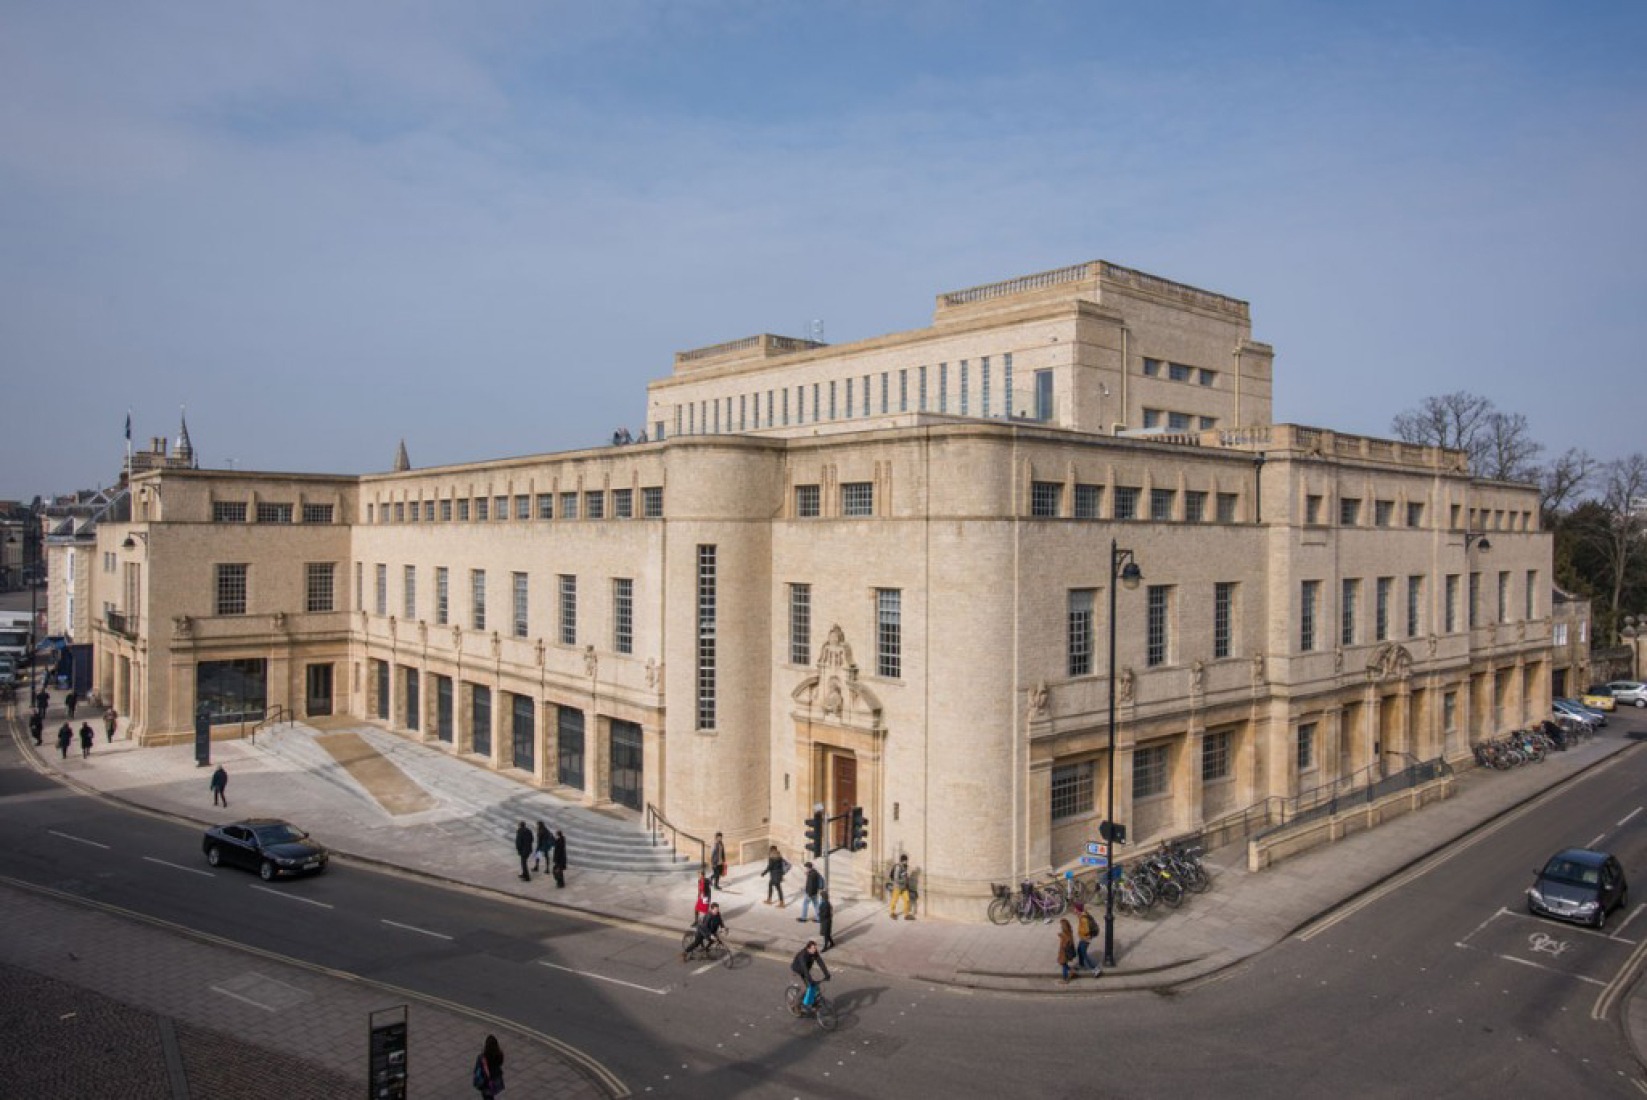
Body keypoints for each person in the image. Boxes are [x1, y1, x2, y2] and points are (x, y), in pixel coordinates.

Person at [791, 940, 831, 1010]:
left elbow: (821, 963)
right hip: (798, 971)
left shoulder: (814, 953)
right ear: (808, 948)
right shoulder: (802, 956)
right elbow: (805, 969)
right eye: (814, 948)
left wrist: (826, 974)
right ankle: (795, 1005)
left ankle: (812, 1002)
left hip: (806, 970)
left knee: (816, 988)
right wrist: (811, 981)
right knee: (806, 988)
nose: (815, 950)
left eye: (816, 948)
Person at [1073, 901, 1101, 977]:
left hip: (1085, 938)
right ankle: (1081, 965)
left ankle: (1095, 969)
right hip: (1083, 938)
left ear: (1078, 909)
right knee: (1079, 950)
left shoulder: (1083, 919)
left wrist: (1079, 931)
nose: (1073, 910)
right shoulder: (1082, 915)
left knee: (1084, 953)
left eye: (1075, 908)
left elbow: (1086, 930)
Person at [473, 1033, 505, 1099]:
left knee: (487, 1096)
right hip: (495, 1079)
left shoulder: (482, 1057)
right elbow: (500, 1063)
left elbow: (477, 1069)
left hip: (486, 1082)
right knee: (491, 1096)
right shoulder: (499, 1054)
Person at [888, 853, 914, 920]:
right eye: (906, 860)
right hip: (897, 887)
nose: (907, 862)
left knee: (907, 900)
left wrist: (906, 880)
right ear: (903, 860)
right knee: (894, 900)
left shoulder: (905, 866)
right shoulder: (898, 867)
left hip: (904, 887)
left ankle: (906, 914)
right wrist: (903, 881)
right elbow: (896, 878)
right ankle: (892, 913)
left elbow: (904, 876)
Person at [1057, 917, 1077, 984]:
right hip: (1066, 953)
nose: (1061, 927)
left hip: (1064, 953)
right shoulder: (1069, 932)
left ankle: (1065, 979)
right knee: (1064, 964)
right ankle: (1072, 971)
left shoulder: (1065, 935)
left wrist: (1062, 937)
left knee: (1063, 965)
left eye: (1061, 926)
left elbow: (1065, 945)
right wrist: (1061, 936)